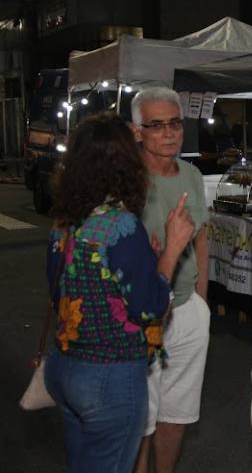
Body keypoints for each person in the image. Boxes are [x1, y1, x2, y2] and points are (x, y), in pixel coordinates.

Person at [44, 112, 194, 473]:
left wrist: (148, 259)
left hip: (65, 367)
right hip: (107, 377)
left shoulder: (65, 223)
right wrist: (173, 250)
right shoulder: (121, 224)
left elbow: (62, 293)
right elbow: (150, 308)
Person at [131, 88, 211, 473]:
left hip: (187, 311)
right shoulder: (127, 180)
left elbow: (201, 239)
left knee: (177, 414)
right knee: (140, 418)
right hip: (142, 314)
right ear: (137, 132)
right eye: (157, 125)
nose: (169, 133)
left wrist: (202, 301)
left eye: (175, 123)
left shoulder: (192, 175)